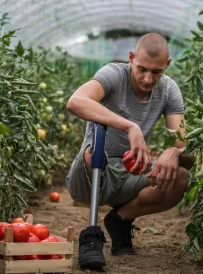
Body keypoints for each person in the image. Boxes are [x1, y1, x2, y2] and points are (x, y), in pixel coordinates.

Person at [65, 32, 193, 269]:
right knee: (96, 151)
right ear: (131, 58)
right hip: (91, 175)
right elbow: (76, 101)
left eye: (156, 72)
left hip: (130, 172)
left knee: (181, 177)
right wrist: (129, 126)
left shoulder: (168, 90)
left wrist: (174, 152)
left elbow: (182, 142)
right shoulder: (114, 74)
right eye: (142, 69)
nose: (147, 78)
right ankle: (91, 234)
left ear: (167, 65)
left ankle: (120, 219)